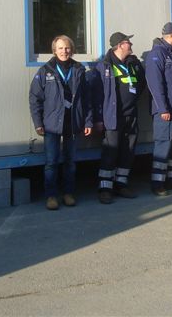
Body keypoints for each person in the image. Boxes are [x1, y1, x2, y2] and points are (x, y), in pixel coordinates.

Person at [29, 35, 93, 210]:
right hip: (51, 124)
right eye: (60, 48)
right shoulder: (45, 71)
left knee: (70, 161)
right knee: (51, 162)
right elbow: (35, 98)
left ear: (71, 49)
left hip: (72, 123)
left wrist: (88, 122)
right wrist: (38, 123)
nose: (64, 51)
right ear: (54, 50)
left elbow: (87, 99)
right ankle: (51, 196)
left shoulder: (79, 70)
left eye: (67, 48)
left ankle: (68, 193)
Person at [92, 32, 146, 204]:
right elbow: (97, 94)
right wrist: (99, 118)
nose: (131, 45)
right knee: (111, 151)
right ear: (120, 45)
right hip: (113, 116)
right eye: (128, 42)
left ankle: (121, 184)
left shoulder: (133, 64)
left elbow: (141, 84)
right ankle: (105, 188)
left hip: (131, 115)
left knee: (128, 151)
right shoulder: (104, 66)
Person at [146, 22, 172, 196]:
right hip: (166, 110)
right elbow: (155, 84)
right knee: (163, 145)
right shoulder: (157, 54)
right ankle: (158, 184)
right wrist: (162, 108)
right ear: (171, 35)